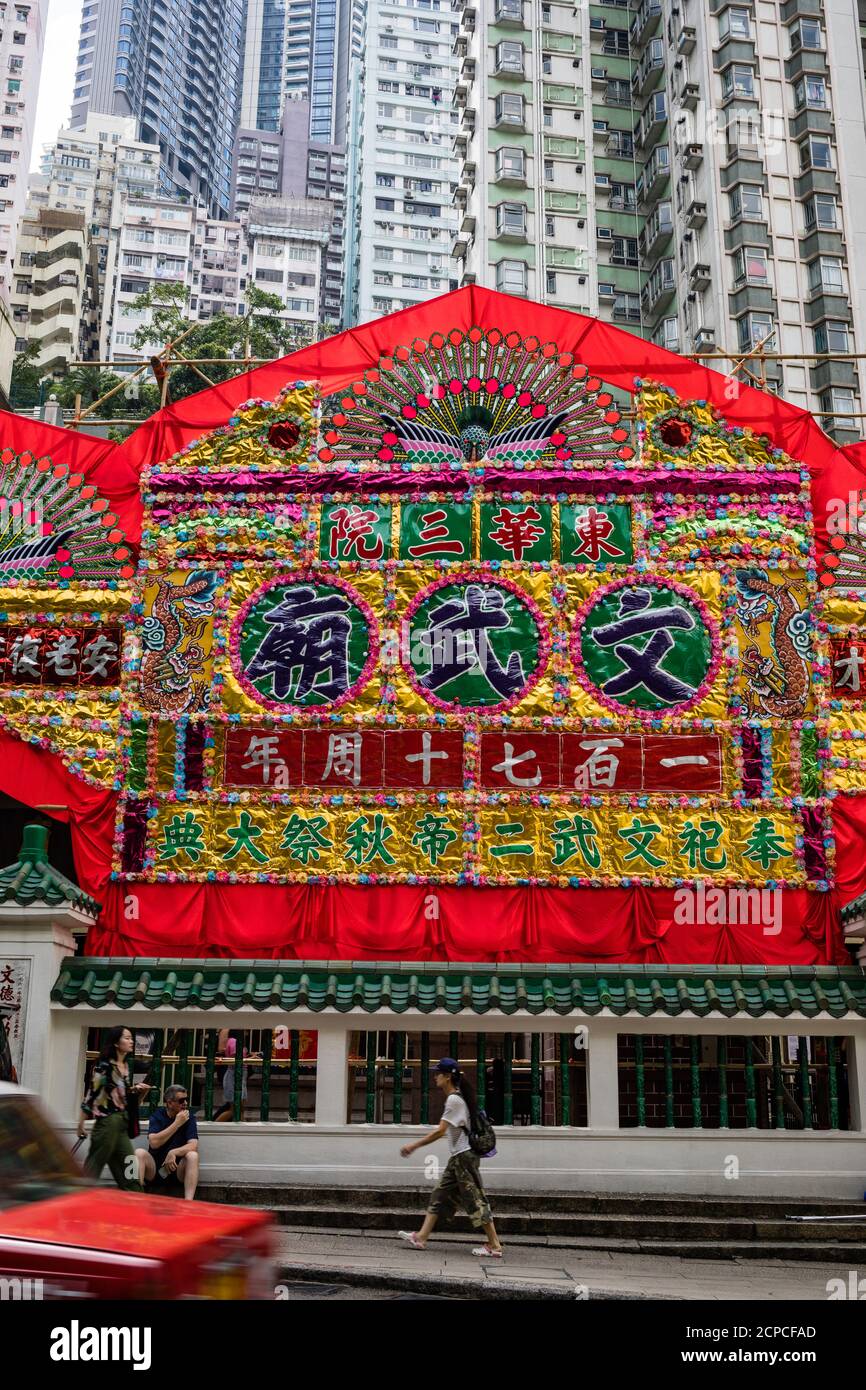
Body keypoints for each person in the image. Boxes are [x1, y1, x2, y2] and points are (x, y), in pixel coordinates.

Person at [398, 1057, 503, 1257]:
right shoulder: (457, 1097)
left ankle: (495, 1245)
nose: (435, 1076)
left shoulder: (454, 1100)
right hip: (458, 1158)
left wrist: (414, 1145)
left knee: (475, 1200)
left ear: (447, 1077)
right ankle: (421, 1237)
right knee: (439, 1194)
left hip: (464, 1158)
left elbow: (440, 1131)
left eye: (438, 1073)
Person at [78, 1026, 150, 1192]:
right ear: (116, 1043)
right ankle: (75, 1205)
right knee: (92, 1170)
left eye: (131, 1038)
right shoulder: (104, 1067)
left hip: (121, 1124)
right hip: (107, 1124)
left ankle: (137, 1201)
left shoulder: (124, 1066)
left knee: (130, 1167)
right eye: (126, 1038)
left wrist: (135, 1089)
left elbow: (120, 1095)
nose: (131, 1041)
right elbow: (91, 1094)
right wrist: (80, 1123)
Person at [137, 1084, 200, 1200]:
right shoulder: (157, 1116)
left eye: (186, 1099)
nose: (185, 1103)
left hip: (178, 1169)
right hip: (155, 1169)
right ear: (170, 1103)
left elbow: (193, 1145)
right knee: (138, 1153)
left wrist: (173, 1152)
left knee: (193, 1156)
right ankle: (135, 1199)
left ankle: (189, 1203)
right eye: (181, 1100)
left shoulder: (189, 1117)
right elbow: (154, 1143)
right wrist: (176, 1124)